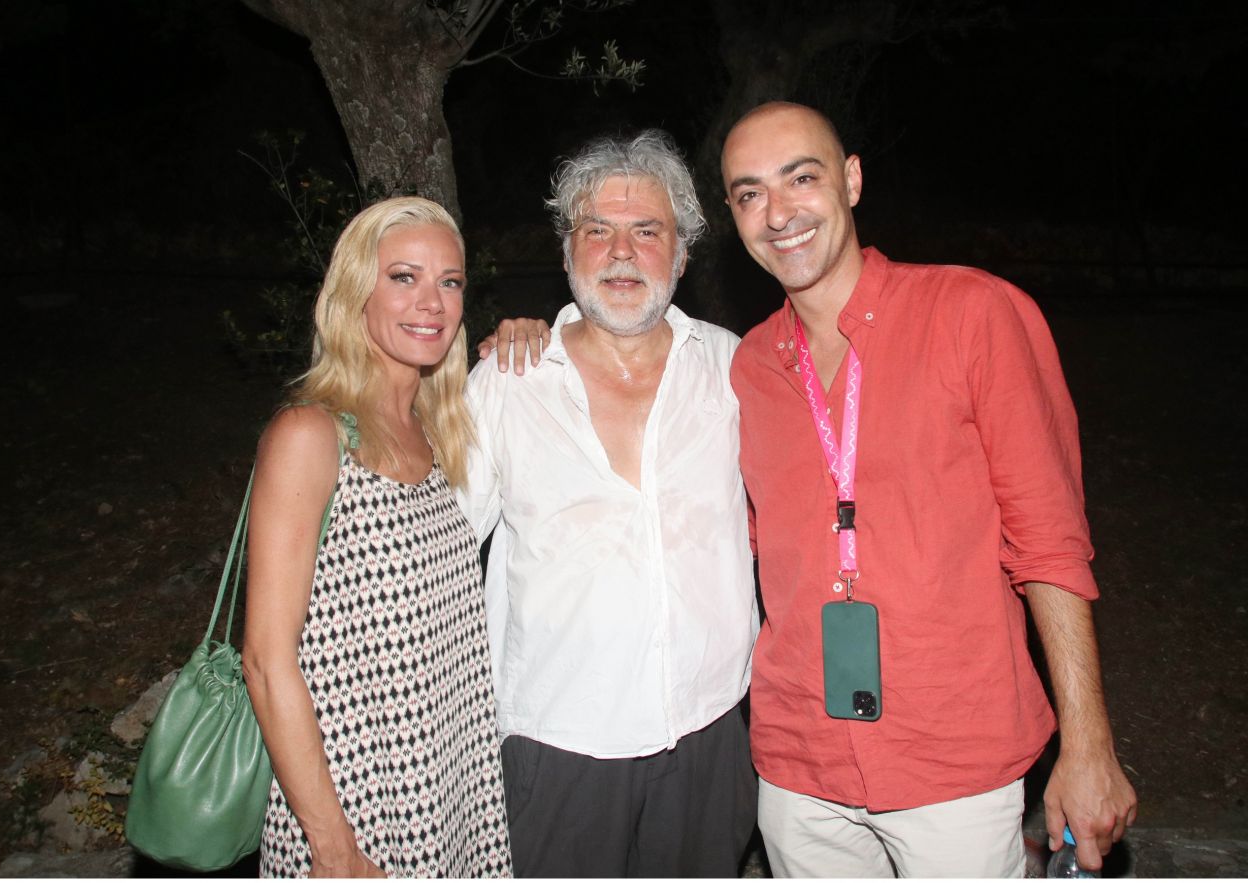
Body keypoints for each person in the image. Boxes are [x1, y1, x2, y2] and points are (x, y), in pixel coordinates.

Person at [721, 101, 1138, 877]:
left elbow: (1049, 540)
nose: (777, 213)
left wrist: (1088, 745)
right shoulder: (746, 367)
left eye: (800, 178)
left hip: (954, 765)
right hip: (798, 768)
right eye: (749, 193)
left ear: (851, 180)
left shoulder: (972, 314)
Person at [457, 131, 759, 877]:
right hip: (557, 742)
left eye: (647, 231)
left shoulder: (734, 371)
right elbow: (439, 551)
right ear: (568, 253)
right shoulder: (508, 383)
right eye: (598, 231)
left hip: (708, 733)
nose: (622, 253)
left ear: (682, 256)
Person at [242, 197, 513, 878]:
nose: (431, 303)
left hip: (449, 779)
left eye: (450, 281)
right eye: (403, 277)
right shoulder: (311, 435)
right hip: (354, 800)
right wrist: (333, 846)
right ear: (355, 292)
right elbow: (267, 661)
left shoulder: (437, 430)